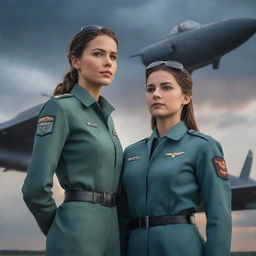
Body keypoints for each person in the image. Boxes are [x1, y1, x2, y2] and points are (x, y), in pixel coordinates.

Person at [22, 25, 123, 256]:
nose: (108, 62)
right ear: (75, 61)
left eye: (113, 56)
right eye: (98, 54)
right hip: (77, 231)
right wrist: (60, 228)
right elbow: (34, 188)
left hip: (112, 234)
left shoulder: (107, 118)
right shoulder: (60, 108)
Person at [118, 60, 232, 256]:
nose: (156, 94)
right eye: (150, 88)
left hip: (180, 248)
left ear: (185, 98)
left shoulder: (203, 146)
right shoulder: (131, 153)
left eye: (166, 87)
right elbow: (122, 217)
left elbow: (219, 216)